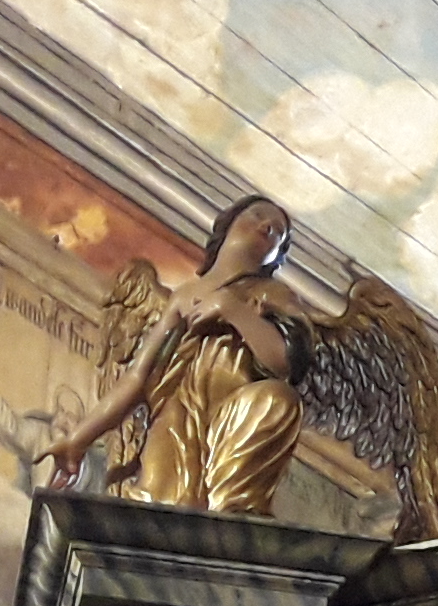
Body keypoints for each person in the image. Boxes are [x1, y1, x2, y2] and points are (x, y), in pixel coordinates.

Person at [39, 194, 334, 517]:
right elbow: (137, 378)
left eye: (278, 232)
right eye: (258, 215)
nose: (267, 227)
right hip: (177, 415)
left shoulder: (275, 295)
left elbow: (283, 363)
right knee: (162, 506)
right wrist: (78, 440)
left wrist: (230, 308)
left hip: (235, 416)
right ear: (229, 223)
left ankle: (234, 513)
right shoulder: (184, 297)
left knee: (278, 400)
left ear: (277, 256)